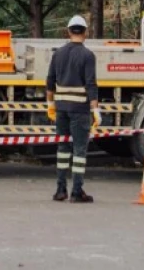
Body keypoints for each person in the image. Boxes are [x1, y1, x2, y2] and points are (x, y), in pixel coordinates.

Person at [46, 14, 101, 203]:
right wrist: (95, 110)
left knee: (62, 148)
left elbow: (50, 81)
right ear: (85, 33)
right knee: (79, 150)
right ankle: (77, 191)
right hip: (80, 109)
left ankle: (60, 190)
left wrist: (50, 105)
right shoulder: (88, 55)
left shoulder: (58, 54)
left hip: (61, 109)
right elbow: (91, 84)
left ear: (69, 32)